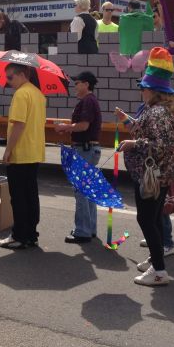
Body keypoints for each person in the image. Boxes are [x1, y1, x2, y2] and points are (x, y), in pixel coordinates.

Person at [116, 47, 174, 286]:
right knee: (153, 219)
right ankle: (156, 262)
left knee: (147, 220)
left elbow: (161, 145)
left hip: (151, 175)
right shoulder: (164, 110)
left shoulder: (157, 113)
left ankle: (159, 271)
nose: (141, 91)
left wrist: (134, 142)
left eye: (143, 88)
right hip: (160, 174)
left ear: (153, 91)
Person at [0, 63, 46, 250]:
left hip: (20, 152)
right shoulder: (38, 94)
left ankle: (19, 235)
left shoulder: (21, 94)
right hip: (34, 152)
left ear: (22, 74)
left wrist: (8, 149)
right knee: (31, 195)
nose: (8, 82)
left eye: (10, 77)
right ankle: (31, 234)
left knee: (18, 197)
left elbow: (18, 124)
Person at [55, 71, 103, 243]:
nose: (75, 86)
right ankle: (89, 229)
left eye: (78, 83)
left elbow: (83, 126)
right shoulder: (88, 101)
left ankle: (82, 231)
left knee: (81, 192)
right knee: (88, 191)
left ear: (86, 85)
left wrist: (65, 127)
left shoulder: (88, 101)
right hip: (88, 149)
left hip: (85, 149)